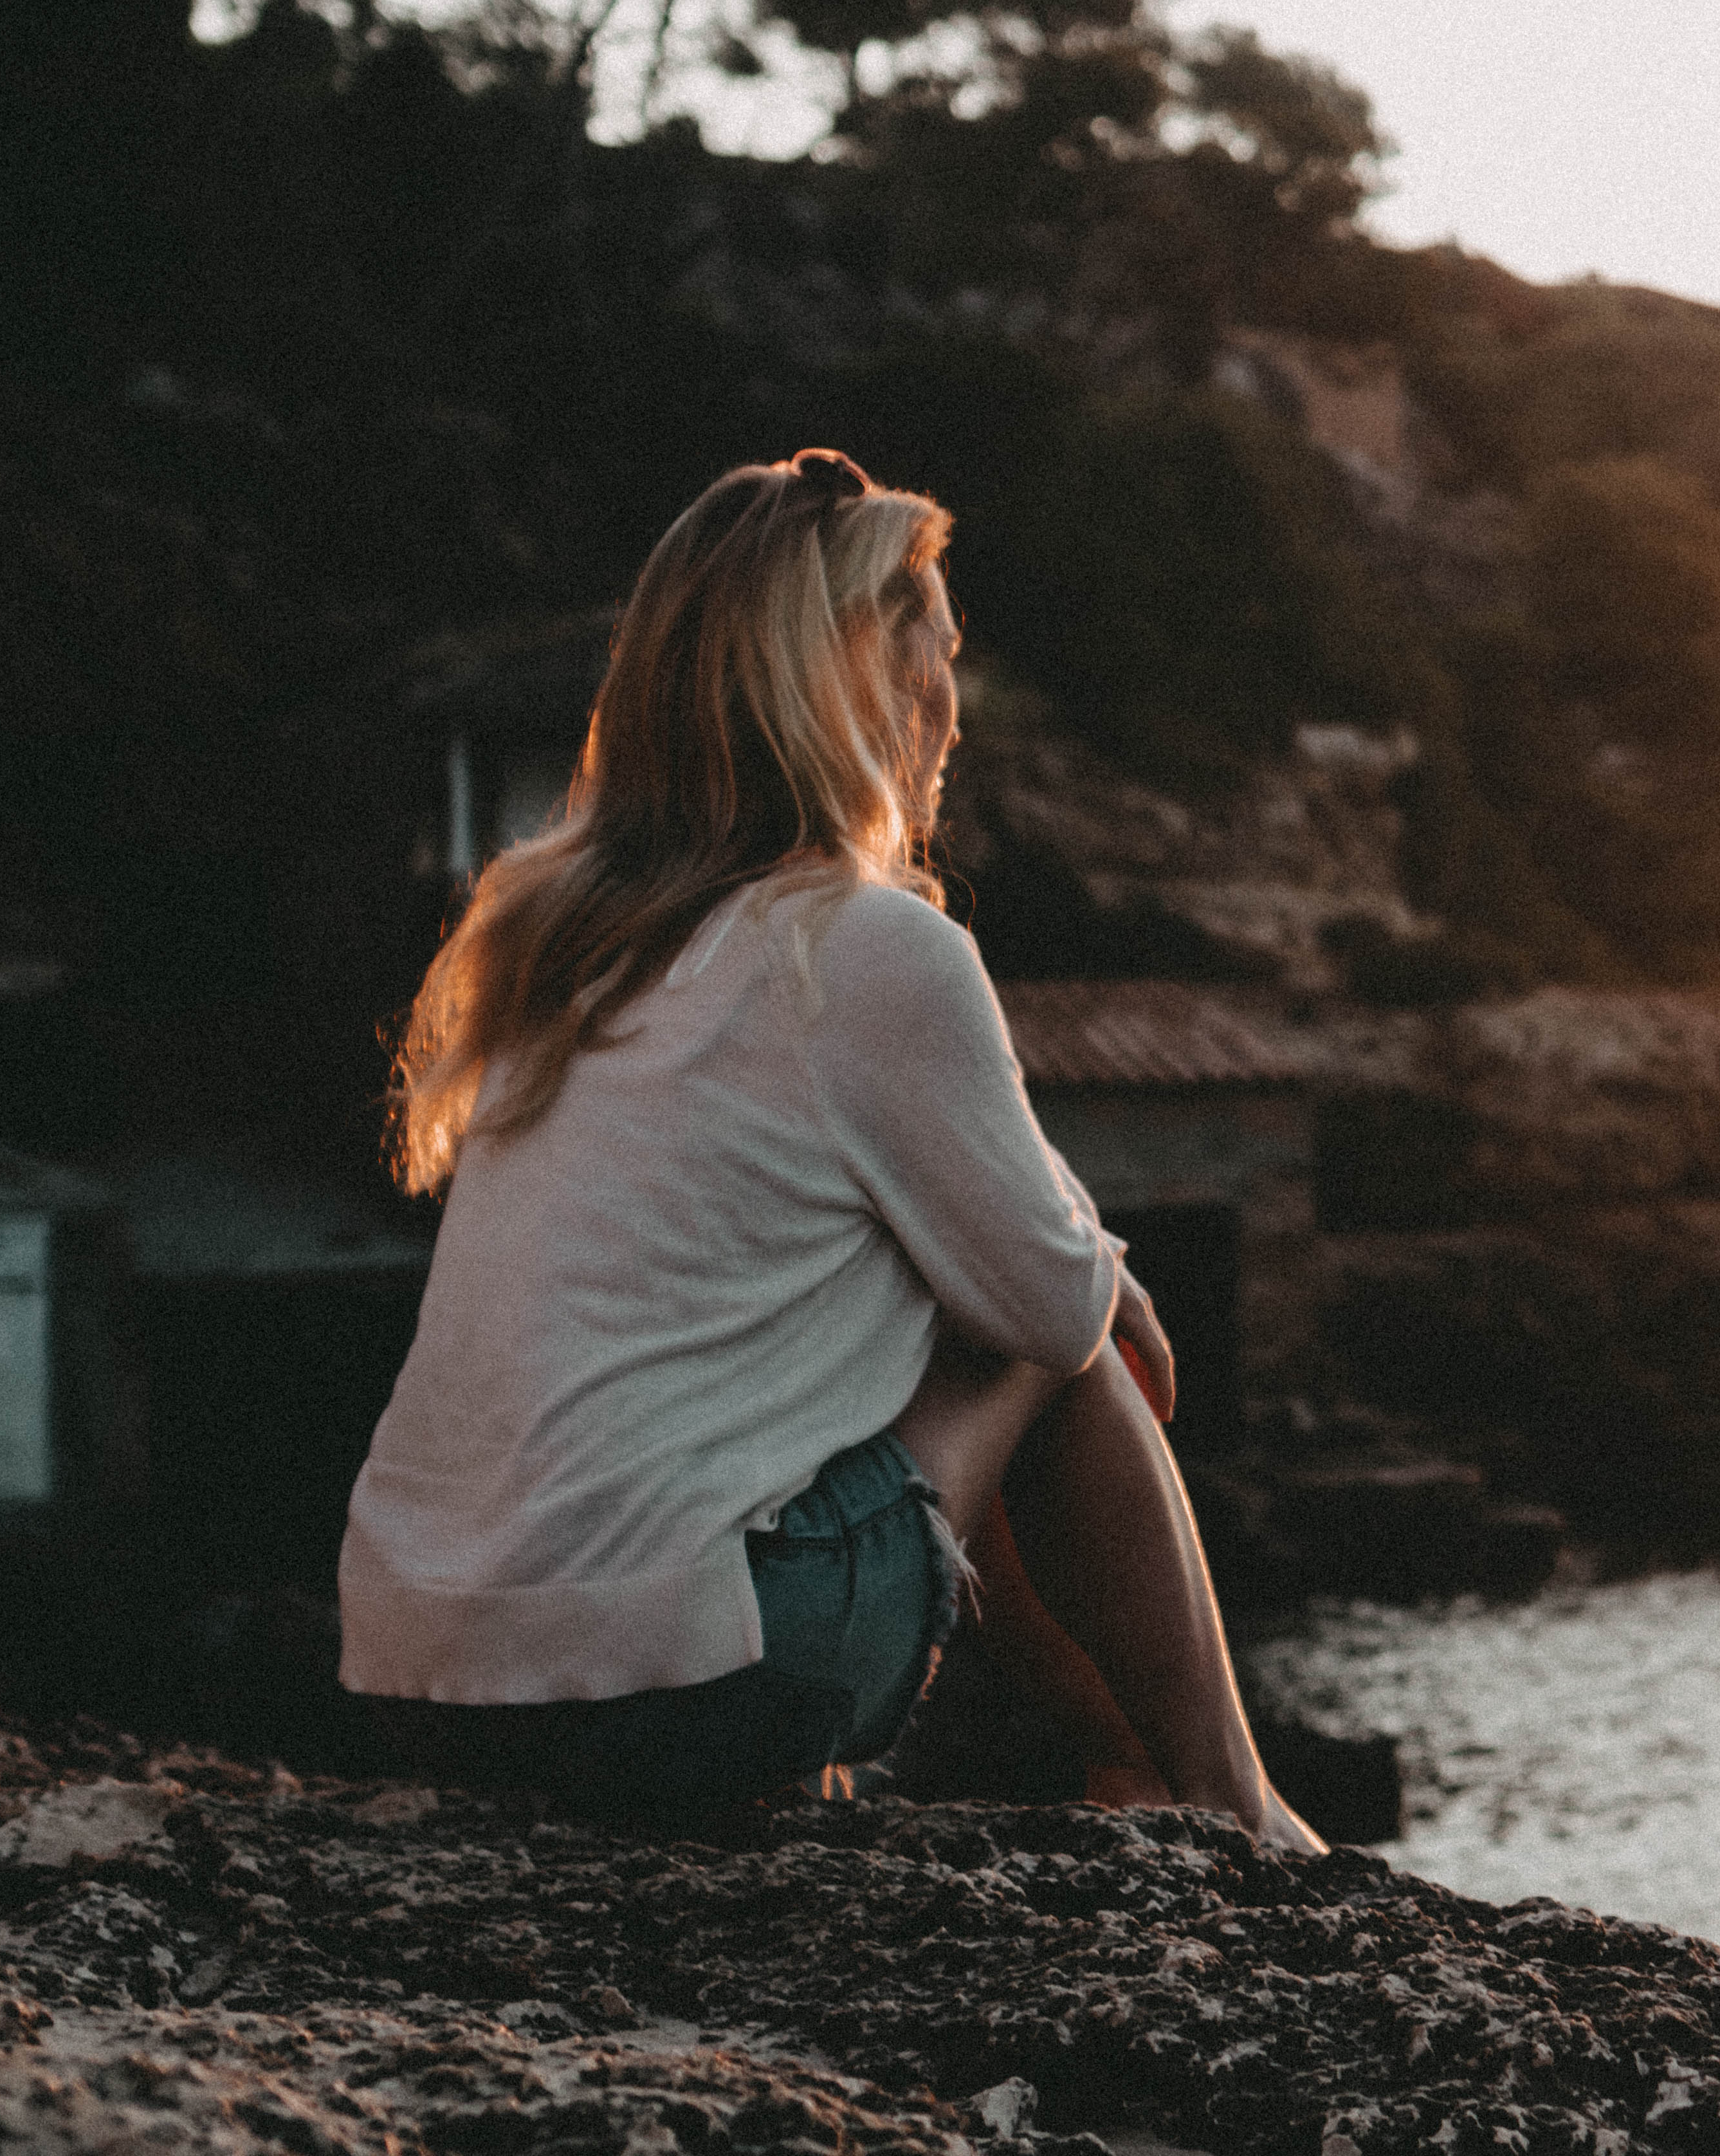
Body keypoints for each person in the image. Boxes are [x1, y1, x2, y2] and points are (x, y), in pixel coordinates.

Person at [340, 447, 1321, 1847]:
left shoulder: (556, 941)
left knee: (974, 1288)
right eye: (941, 654)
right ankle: (1216, 1792)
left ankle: (1151, 1780)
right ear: (872, 678)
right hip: (681, 1693)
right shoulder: (865, 946)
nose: (955, 713)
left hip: (420, 1677)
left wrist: (1071, 1255)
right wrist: (1098, 1260)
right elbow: (1048, 1306)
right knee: (1045, 1339)